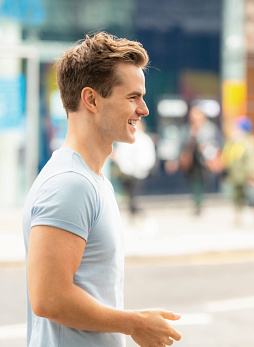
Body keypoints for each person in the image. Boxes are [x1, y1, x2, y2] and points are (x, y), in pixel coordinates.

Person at [22, 32, 182, 346]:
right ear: (92, 100)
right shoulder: (71, 184)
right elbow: (49, 298)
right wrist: (135, 323)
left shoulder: (91, 179)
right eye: (133, 97)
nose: (143, 109)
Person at [171, 105, 224, 215]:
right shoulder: (187, 129)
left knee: (202, 182)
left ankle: (200, 202)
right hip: (192, 161)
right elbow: (180, 144)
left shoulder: (210, 129)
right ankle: (197, 203)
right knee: (195, 182)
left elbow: (218, 144)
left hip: (205, 161)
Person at [222, 116, 254, 225]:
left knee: (253, 195)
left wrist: (253, 173)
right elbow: (229, 157)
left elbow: (253, 159)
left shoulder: (249, 142)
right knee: (237, 196)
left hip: (247, 175)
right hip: (236, 175)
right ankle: (238, 216)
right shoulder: (233, 142)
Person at [113, 121, 156, 218]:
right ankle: (133, 217)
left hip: (138, 173)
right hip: (126, 173)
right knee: (129, 198)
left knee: (133, 198)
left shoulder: (144, 139)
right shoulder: (125, 138)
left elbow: (147, 157)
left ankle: (141, 217)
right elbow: (122, 154)